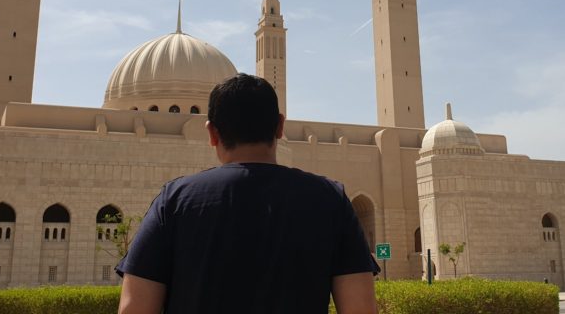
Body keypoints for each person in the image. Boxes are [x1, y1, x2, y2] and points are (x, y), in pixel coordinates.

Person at [117, 73, 379, 314]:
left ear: (211, 132)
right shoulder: (329, 199)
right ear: (280, 126)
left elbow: (134, 308)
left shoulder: (174, 201)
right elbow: (361, 308)